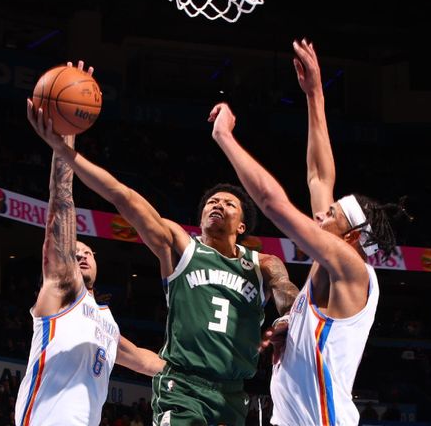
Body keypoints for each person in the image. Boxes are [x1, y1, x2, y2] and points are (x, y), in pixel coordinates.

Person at [28, 65, 299, 426]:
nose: (217, 205)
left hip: (234, 393)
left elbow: (285, 289)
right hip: (183, 386)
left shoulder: (263, 263)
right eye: (210, 202)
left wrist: (289, 316)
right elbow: (121, 195)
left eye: (228, 203)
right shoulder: (181, 247)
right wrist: (65, 151)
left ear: (243, 225)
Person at [210, 39, 405, 426]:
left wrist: (225, 139)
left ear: (351, 239)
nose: (321, 216)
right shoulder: (332, 265)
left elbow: (272, 202)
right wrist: (315, 94)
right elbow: (319, 175)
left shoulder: (352, 269)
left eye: (331, 215)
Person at [18, 62, 165, 426]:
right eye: (74, 251)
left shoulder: (107, 324)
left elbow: (147, 361)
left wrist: (212, 377)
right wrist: (64, 139)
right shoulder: (62, 289)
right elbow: (62, 201)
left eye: (87, 251)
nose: (80, 254)